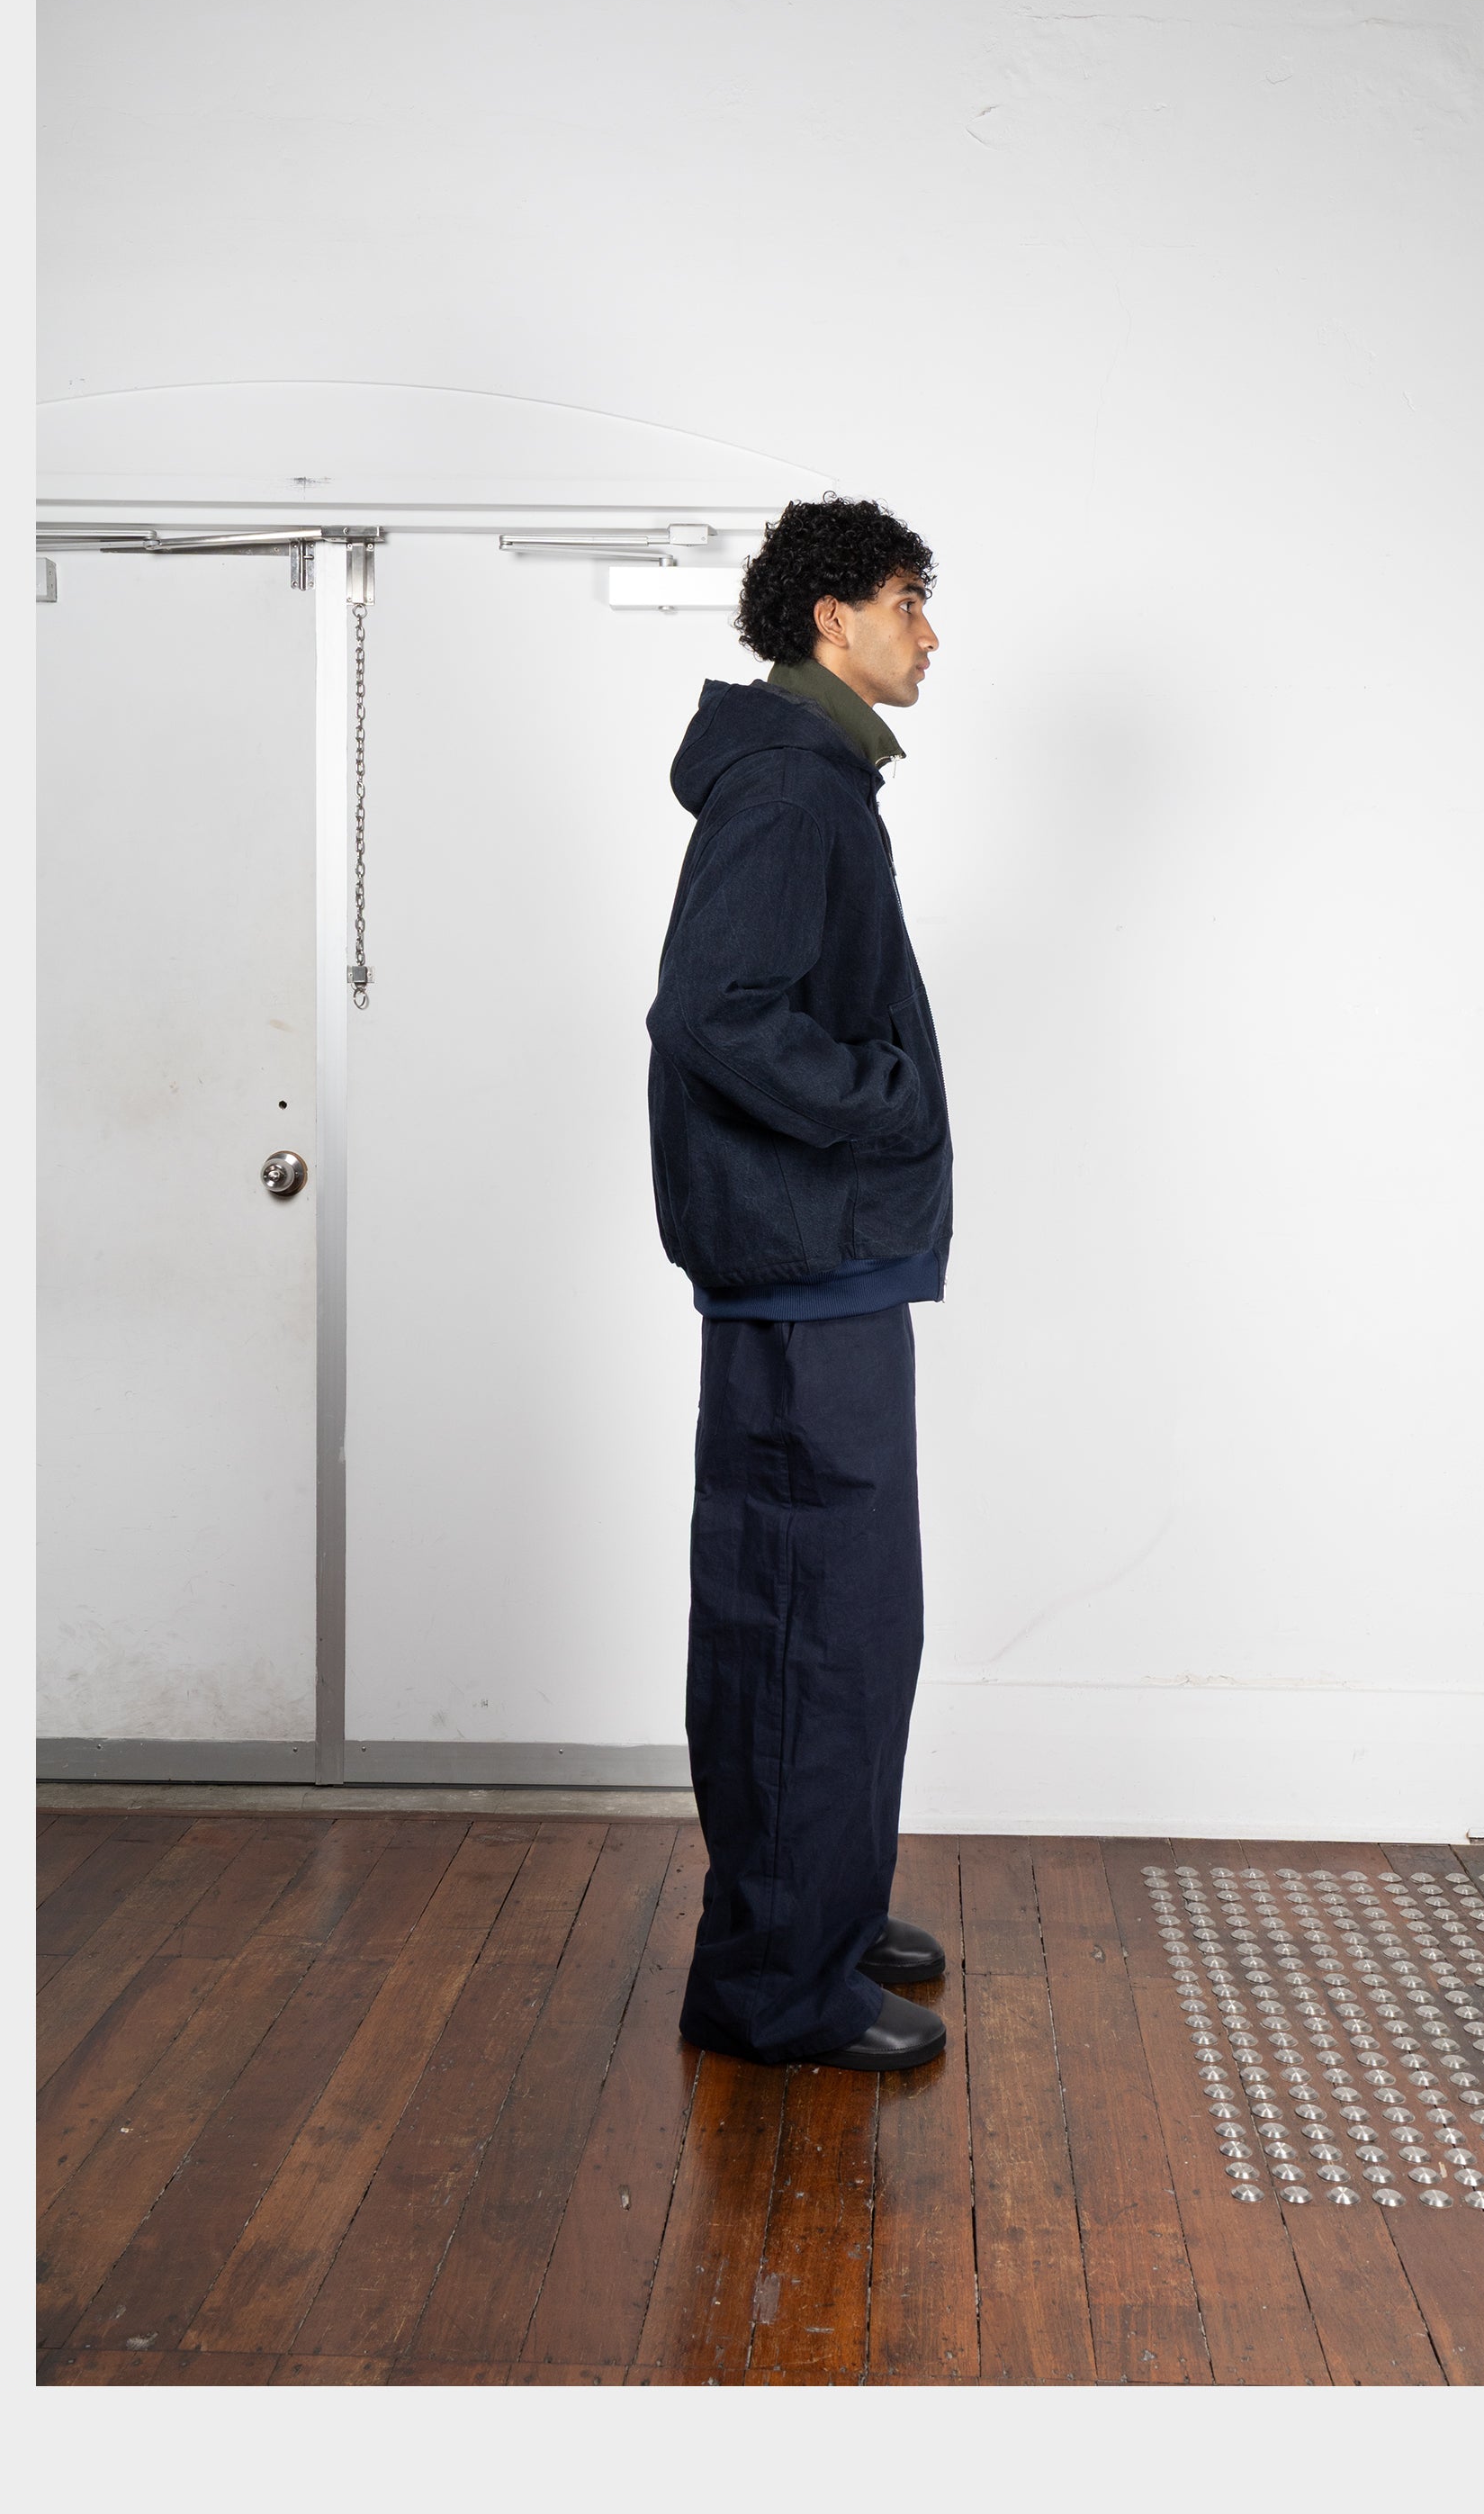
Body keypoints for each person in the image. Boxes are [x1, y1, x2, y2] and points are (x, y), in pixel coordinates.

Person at [645, 497, 958, 2072]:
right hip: (800, 1271)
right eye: (907, 600)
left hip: (830, 1265)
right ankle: (773, 1984)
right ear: (831, 617)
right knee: (801, 1630)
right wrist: (884, 1099)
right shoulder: (786, 785)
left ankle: (823, 1916)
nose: (929, 632)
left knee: (856, 1623)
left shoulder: (820, 776)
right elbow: (713, 1012)